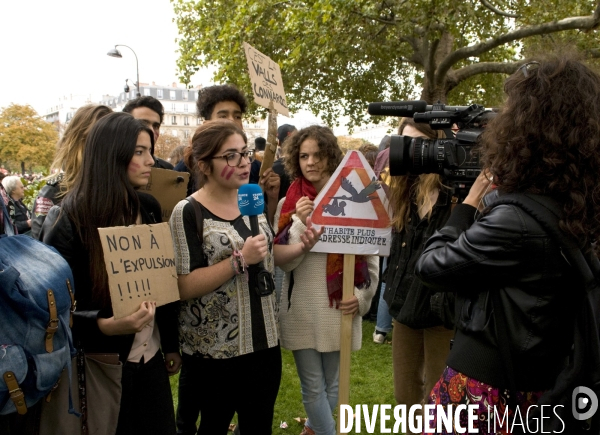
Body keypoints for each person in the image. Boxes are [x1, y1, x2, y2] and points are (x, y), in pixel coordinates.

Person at [415, 54, 600, 433]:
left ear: (527, 128)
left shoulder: (515, 220)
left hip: (485, 392)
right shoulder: (577, 208)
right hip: (539, 388)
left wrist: (468, 204)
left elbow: (432, 266)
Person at [169, 119, 313, 434]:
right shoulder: (188, 211)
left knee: (259, 427)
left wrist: (302, 246)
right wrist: (238, 260)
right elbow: (182, 285)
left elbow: (267, 256)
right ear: (204, 165)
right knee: (213, 427)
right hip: (215, 353)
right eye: (230, 156)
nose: (244, 162)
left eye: (245, 153)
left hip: (263, 345)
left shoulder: (252, 200)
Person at [42, 112, 181, 435]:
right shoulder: (70, 220)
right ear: (111, 155)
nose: (151, 160)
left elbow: (162, 280)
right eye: (139, 152)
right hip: (100, 367)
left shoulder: (147, 206)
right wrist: (104, 325)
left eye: (150, 150)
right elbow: (54, 311)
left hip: (150, 363)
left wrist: (170, 344)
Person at [274, 125, 379, 435]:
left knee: (333, 385)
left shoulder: (355, 199)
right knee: (312, 386)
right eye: (304, 155)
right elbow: (285, 263)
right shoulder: (288, 204)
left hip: (339, 306)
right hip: (301, 308)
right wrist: (300, 223)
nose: (311, 162)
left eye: (318, 155)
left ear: (331, 157)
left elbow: (371, 259)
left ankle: (314, 427)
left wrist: (361, 299)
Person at [380, 119, 455, 433]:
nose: (409, 151)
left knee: (441, 402)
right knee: (405, 396)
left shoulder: (455, 189)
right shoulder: (403, 188)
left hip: (441, 309)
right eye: (404, 143)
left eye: (417, 143)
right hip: (404, 306)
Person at [31, 104, 113, 239]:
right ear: (78, 141)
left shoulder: (123, 189)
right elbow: (39, 250)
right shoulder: (54, 191)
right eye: (96, 139)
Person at [174, 84, 248, 195]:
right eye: (223, 116)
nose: (232, 121)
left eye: (237, 116)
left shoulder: (251, 165)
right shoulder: (185, 169)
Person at [123, 95, 173, 169]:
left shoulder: (168, 170)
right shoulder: (108, 169)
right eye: (143, 123)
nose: (151, 130)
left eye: (156, 126)